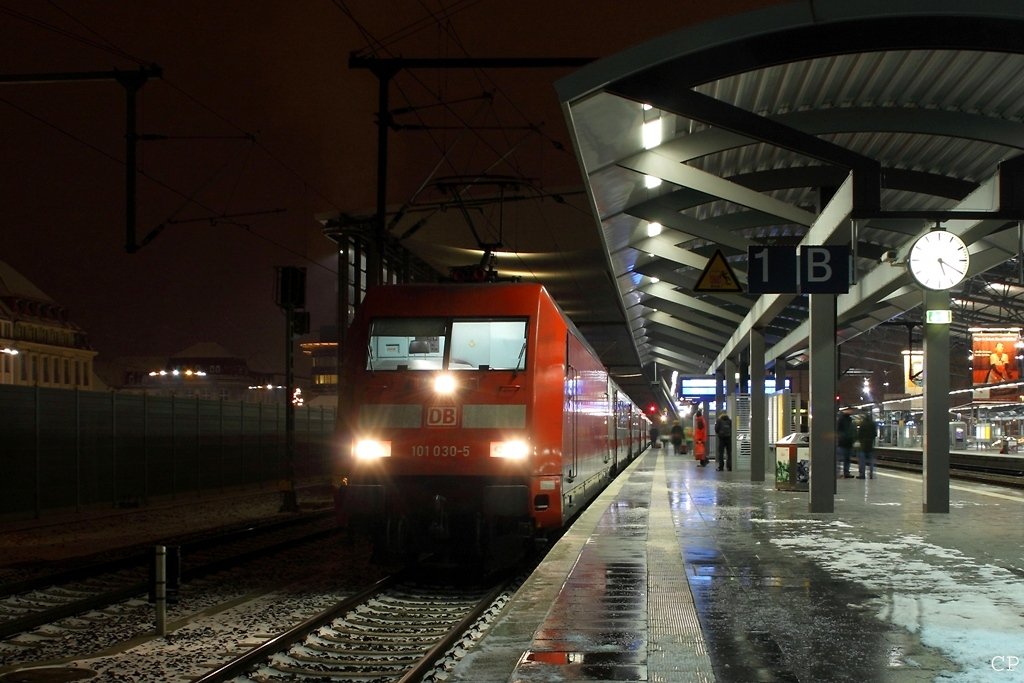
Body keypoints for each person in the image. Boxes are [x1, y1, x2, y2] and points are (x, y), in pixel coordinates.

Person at [856, 412, 878, 479]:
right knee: (871, 461)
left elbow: (859, 435)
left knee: (862, 461)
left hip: (863, 445)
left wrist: (859, 440)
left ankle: (862, 475)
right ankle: (871, 474)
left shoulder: (862, 424)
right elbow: (875, 434)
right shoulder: (873, 424)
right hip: (870, 444)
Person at [836, 408, 855, 478]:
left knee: (847, 459)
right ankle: (837, 473)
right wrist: (842, 437)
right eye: (850, 410)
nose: (851, 411)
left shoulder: (850, 419)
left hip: (849, 443)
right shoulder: (840, 419)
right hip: (842, 443)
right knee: (839, 459)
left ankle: (846, 473)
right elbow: (838, 430)